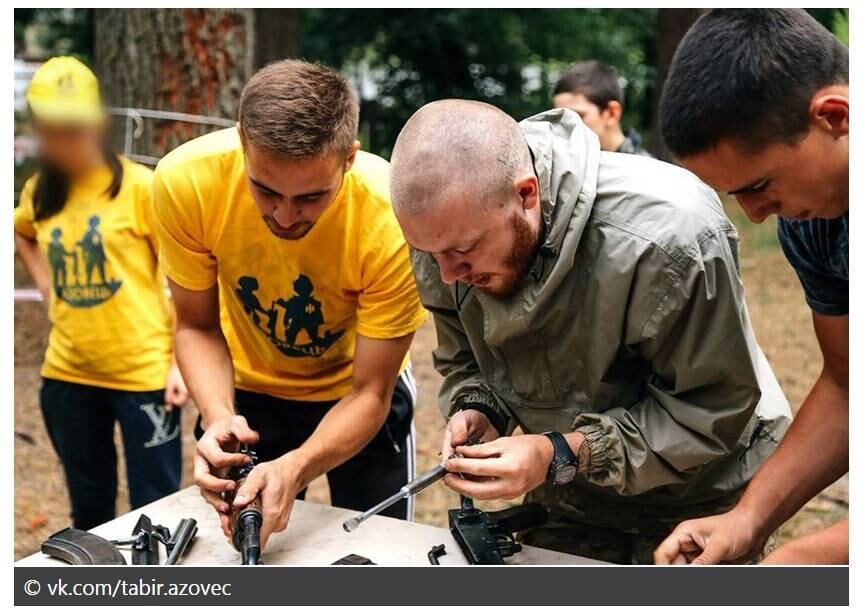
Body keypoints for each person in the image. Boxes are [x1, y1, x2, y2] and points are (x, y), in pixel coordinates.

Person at [388, 99, 791, 565]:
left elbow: (710, 410)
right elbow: (467, 358)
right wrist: (482, 406)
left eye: (463, 251)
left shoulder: (669, 239)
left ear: (526, 194)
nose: (448, 274)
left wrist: (560, 451)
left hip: (701, 493)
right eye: (429, 253)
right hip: (569, 493)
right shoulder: (445, 237)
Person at [152, 60, 428, 550]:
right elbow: (196, 326)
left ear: (349, 159)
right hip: (247, 387)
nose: (283, 215)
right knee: (238, 549)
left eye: (310, 197)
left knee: (374, 553)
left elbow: (371, 390)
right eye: (265, 189)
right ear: (242, 142)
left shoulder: (393, 219)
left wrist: (297, 467)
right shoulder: (186, 182)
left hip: (356, 392)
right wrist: (218, 416)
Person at [654, 8, 848, 565]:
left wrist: (806, 560)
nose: (757, 216)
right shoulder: (816, 222)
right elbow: (846, 382)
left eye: (759, 184)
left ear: (834, 116)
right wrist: (748, 516)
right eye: (736, 194)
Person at [14, 56, 188, 530]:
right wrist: (46, 285)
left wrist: (178, 364)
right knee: (89, 510)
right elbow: (23, 232)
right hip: (68, 376)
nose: (63, 140)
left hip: (144, 378)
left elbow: (184, 280)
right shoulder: (40, 192)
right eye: (51, 129)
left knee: (157, 511)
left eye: (73, 128)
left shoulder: (141, 189)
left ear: (97, 124)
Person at [552, 60, 650, 156]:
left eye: (577, 116)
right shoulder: (558, 164)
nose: (563, 128)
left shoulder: (646, 169)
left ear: (612, 113)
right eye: (557, 119)